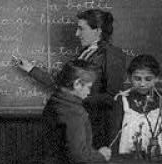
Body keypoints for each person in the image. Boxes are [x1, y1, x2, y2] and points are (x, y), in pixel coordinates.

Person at [15, 9, 126, 149]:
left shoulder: (112, 55)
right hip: (72, 122)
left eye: (81, 29)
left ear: (97, 31)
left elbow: (111, 96)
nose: (76, 34)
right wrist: (31, 69)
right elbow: (62, 83)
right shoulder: (84, 53)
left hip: (93, 126)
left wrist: (76, 99)